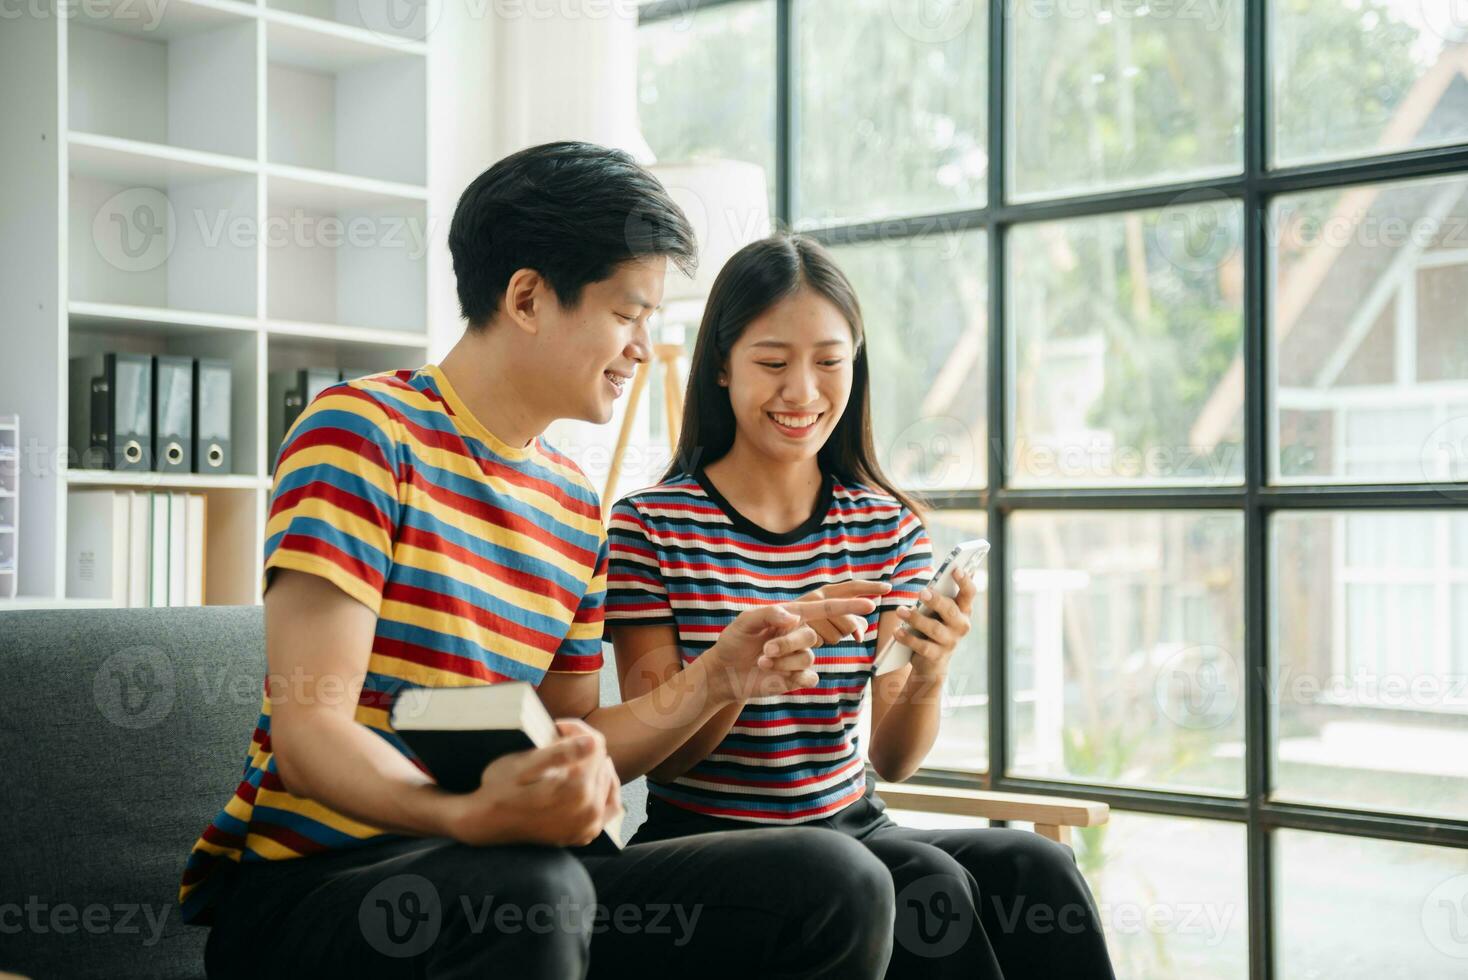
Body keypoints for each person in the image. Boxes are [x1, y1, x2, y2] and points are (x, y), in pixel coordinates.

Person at [180, 144, 897, 980]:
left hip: (531, 877)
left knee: (833, 878)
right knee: (535, 886)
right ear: (527, 297)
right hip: (323, 892)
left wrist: (720, 676)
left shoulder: (572, 503)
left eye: (654, 324)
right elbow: (312, 733)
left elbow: (576, 734)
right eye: (629, 315)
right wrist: (469, 814)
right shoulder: (362, 435)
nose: (642, 349)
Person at [605, 234, 1118, 979]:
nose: (804, 393)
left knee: (1034, 867)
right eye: (773, 363)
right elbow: (667, 757)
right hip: (708, 843)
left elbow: (893, 760)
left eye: (829, 362)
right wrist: (736, 673)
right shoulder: (650, 527)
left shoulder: (886, 527)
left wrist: (931, 669)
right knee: (930, 887)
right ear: (720, 365)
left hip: (854, 826)